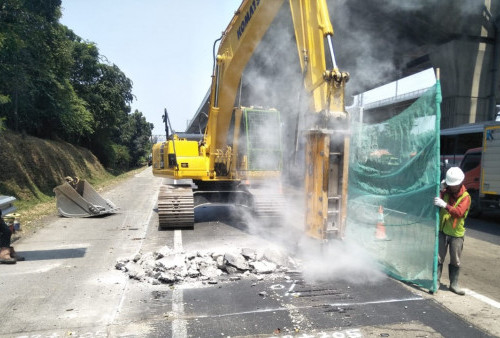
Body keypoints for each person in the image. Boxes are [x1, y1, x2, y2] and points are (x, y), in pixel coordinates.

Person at [434, 167, 470, 295]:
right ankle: (435, 282)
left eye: (454, 185)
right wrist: (439, 190)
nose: (452, 187)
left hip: (456, 234)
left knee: (455, 260)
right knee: (438, 258)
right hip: (443, 231)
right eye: (450, 185)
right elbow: (436, 200)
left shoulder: (466, 197)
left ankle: (453, 284)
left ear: (460, 183)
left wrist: (445, 205)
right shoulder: (446, 192)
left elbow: (459, 213)